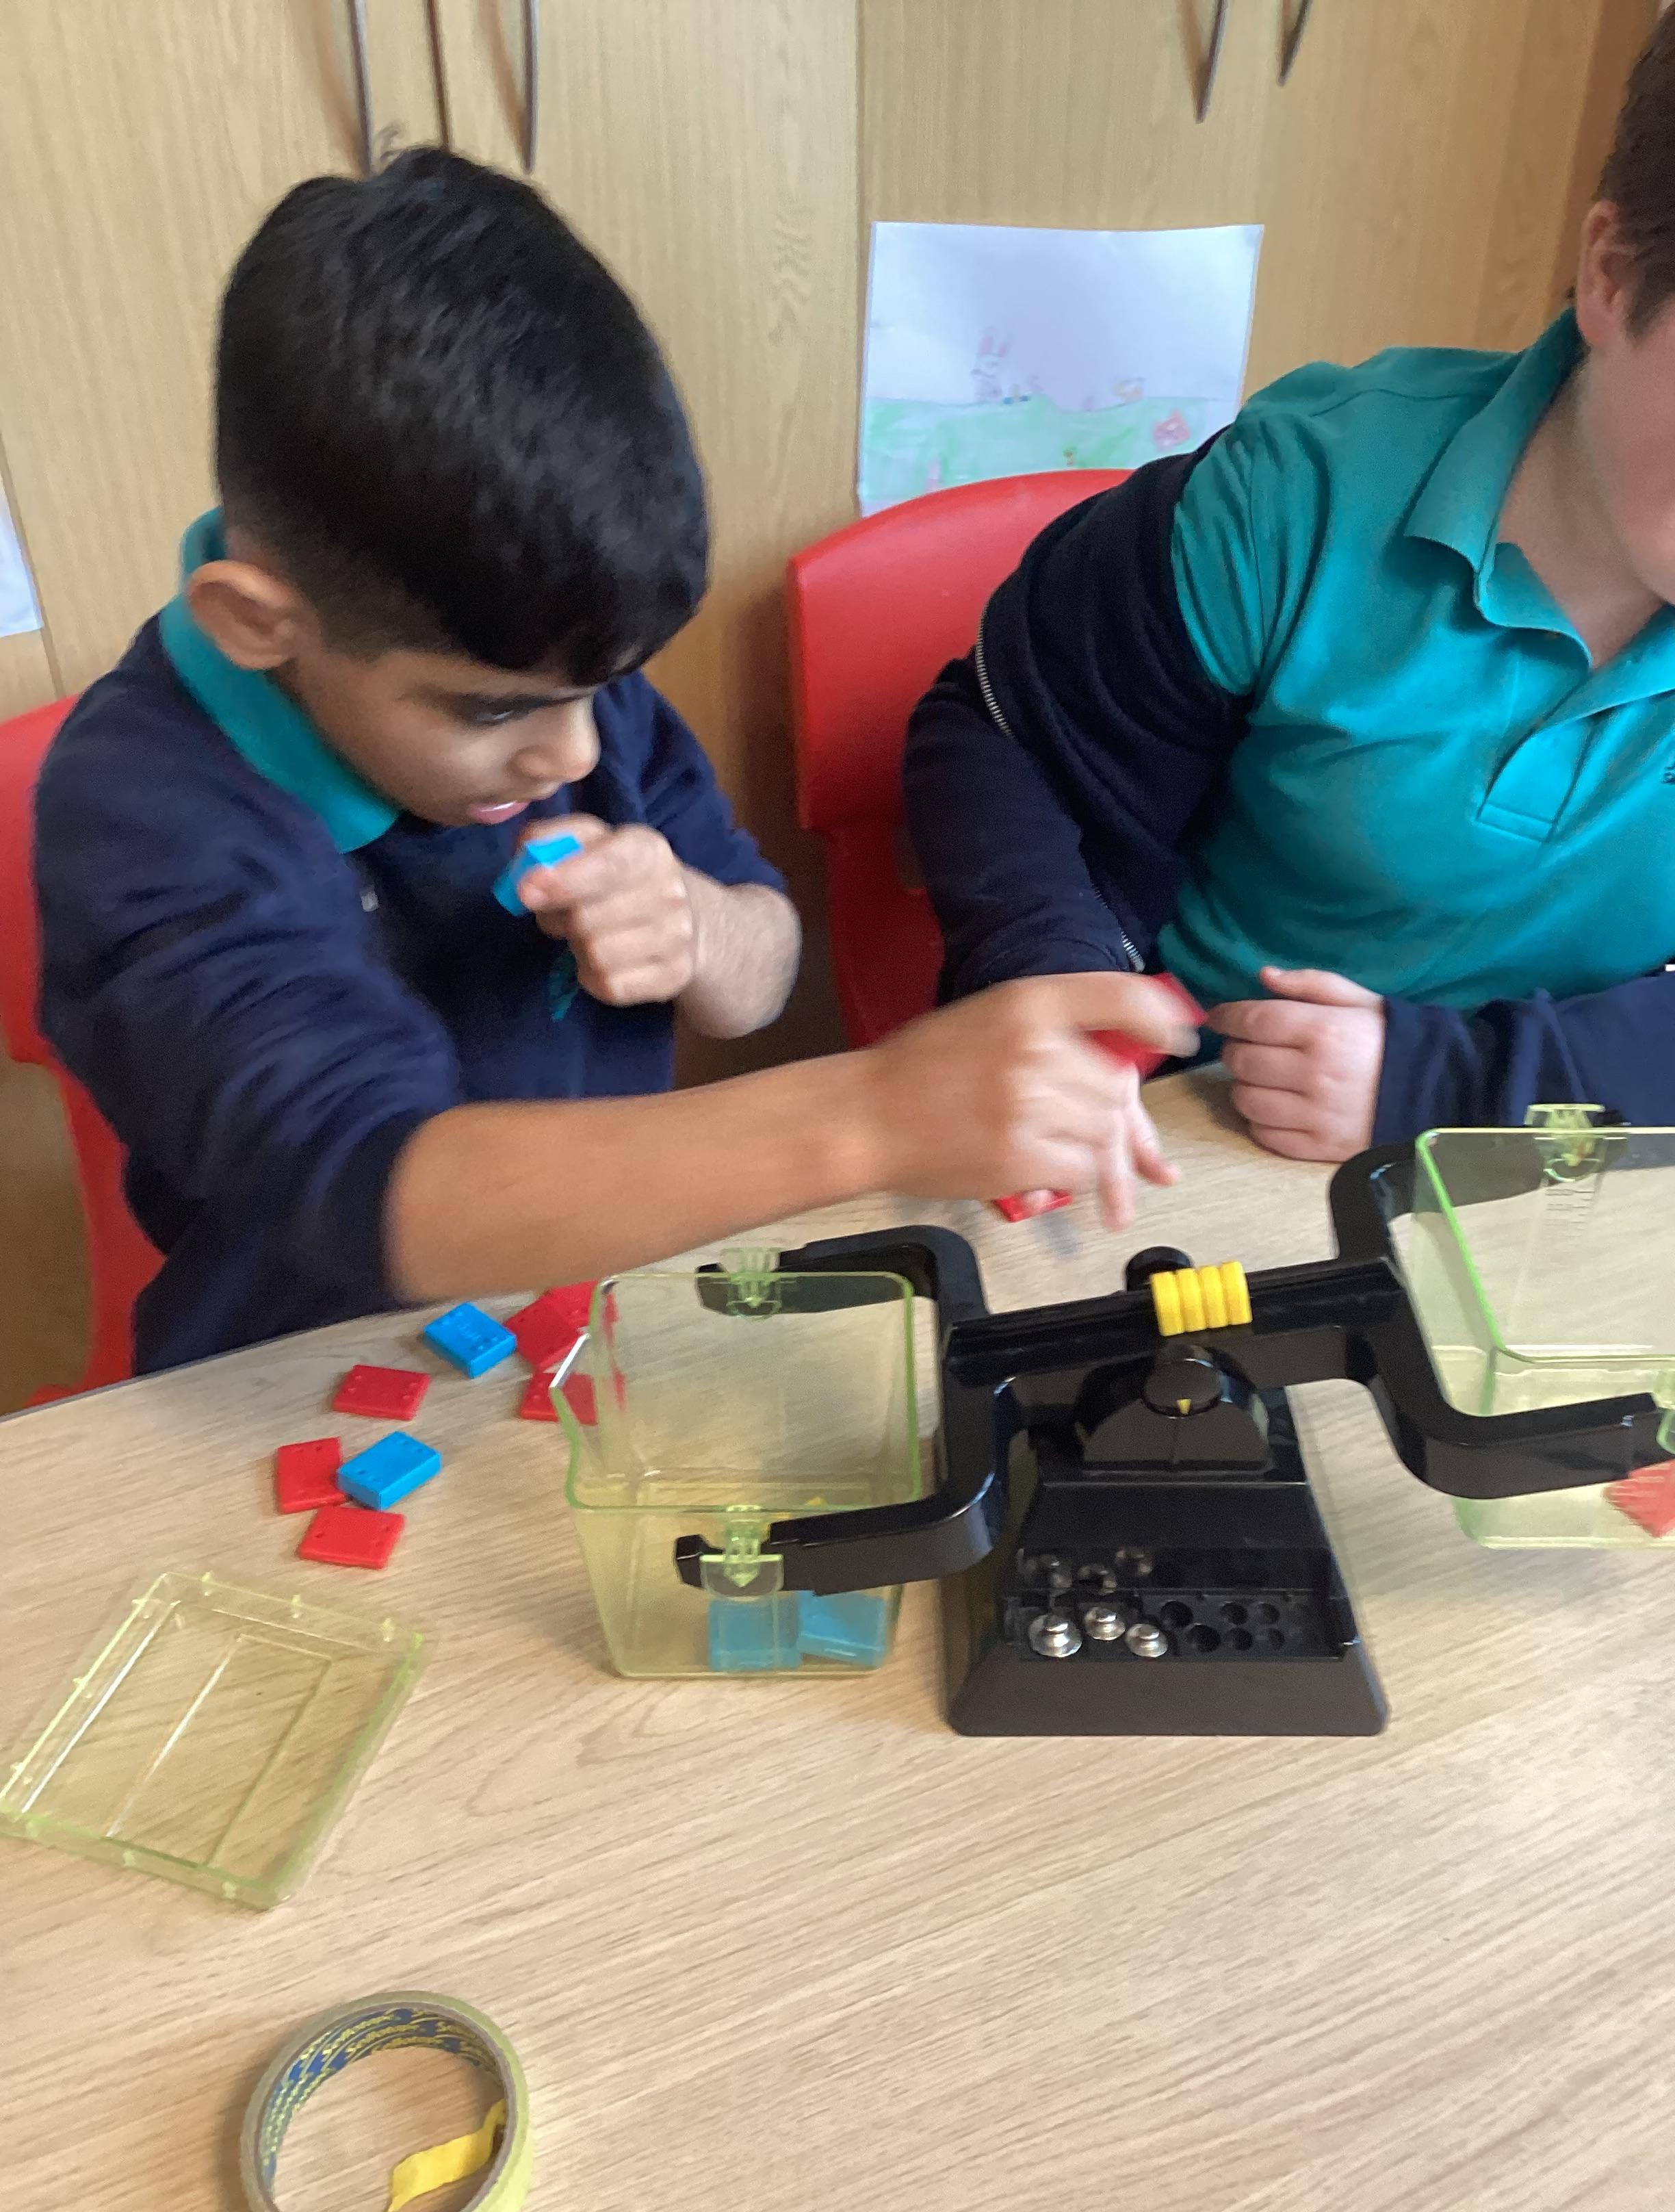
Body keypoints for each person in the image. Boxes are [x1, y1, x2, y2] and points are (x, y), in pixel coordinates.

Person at [34, 151, 1193, 1374]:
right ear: (257, 623)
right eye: (492, 711)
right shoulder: (141, 813)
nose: (574, 751)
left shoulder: (548, 655)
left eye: (602, 691)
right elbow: (377, 1182)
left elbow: (760, 968)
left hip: (588, 1306)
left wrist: (696, 924)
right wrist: (877, 1112)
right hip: (297, 1371)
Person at [904, 13, 1675, 1167]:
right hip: (1202, 1126)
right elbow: (997, 737)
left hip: (1553, 1144)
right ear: (1613, 276)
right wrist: (1057, 983)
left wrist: (1448, 1084)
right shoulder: (1299, 499)